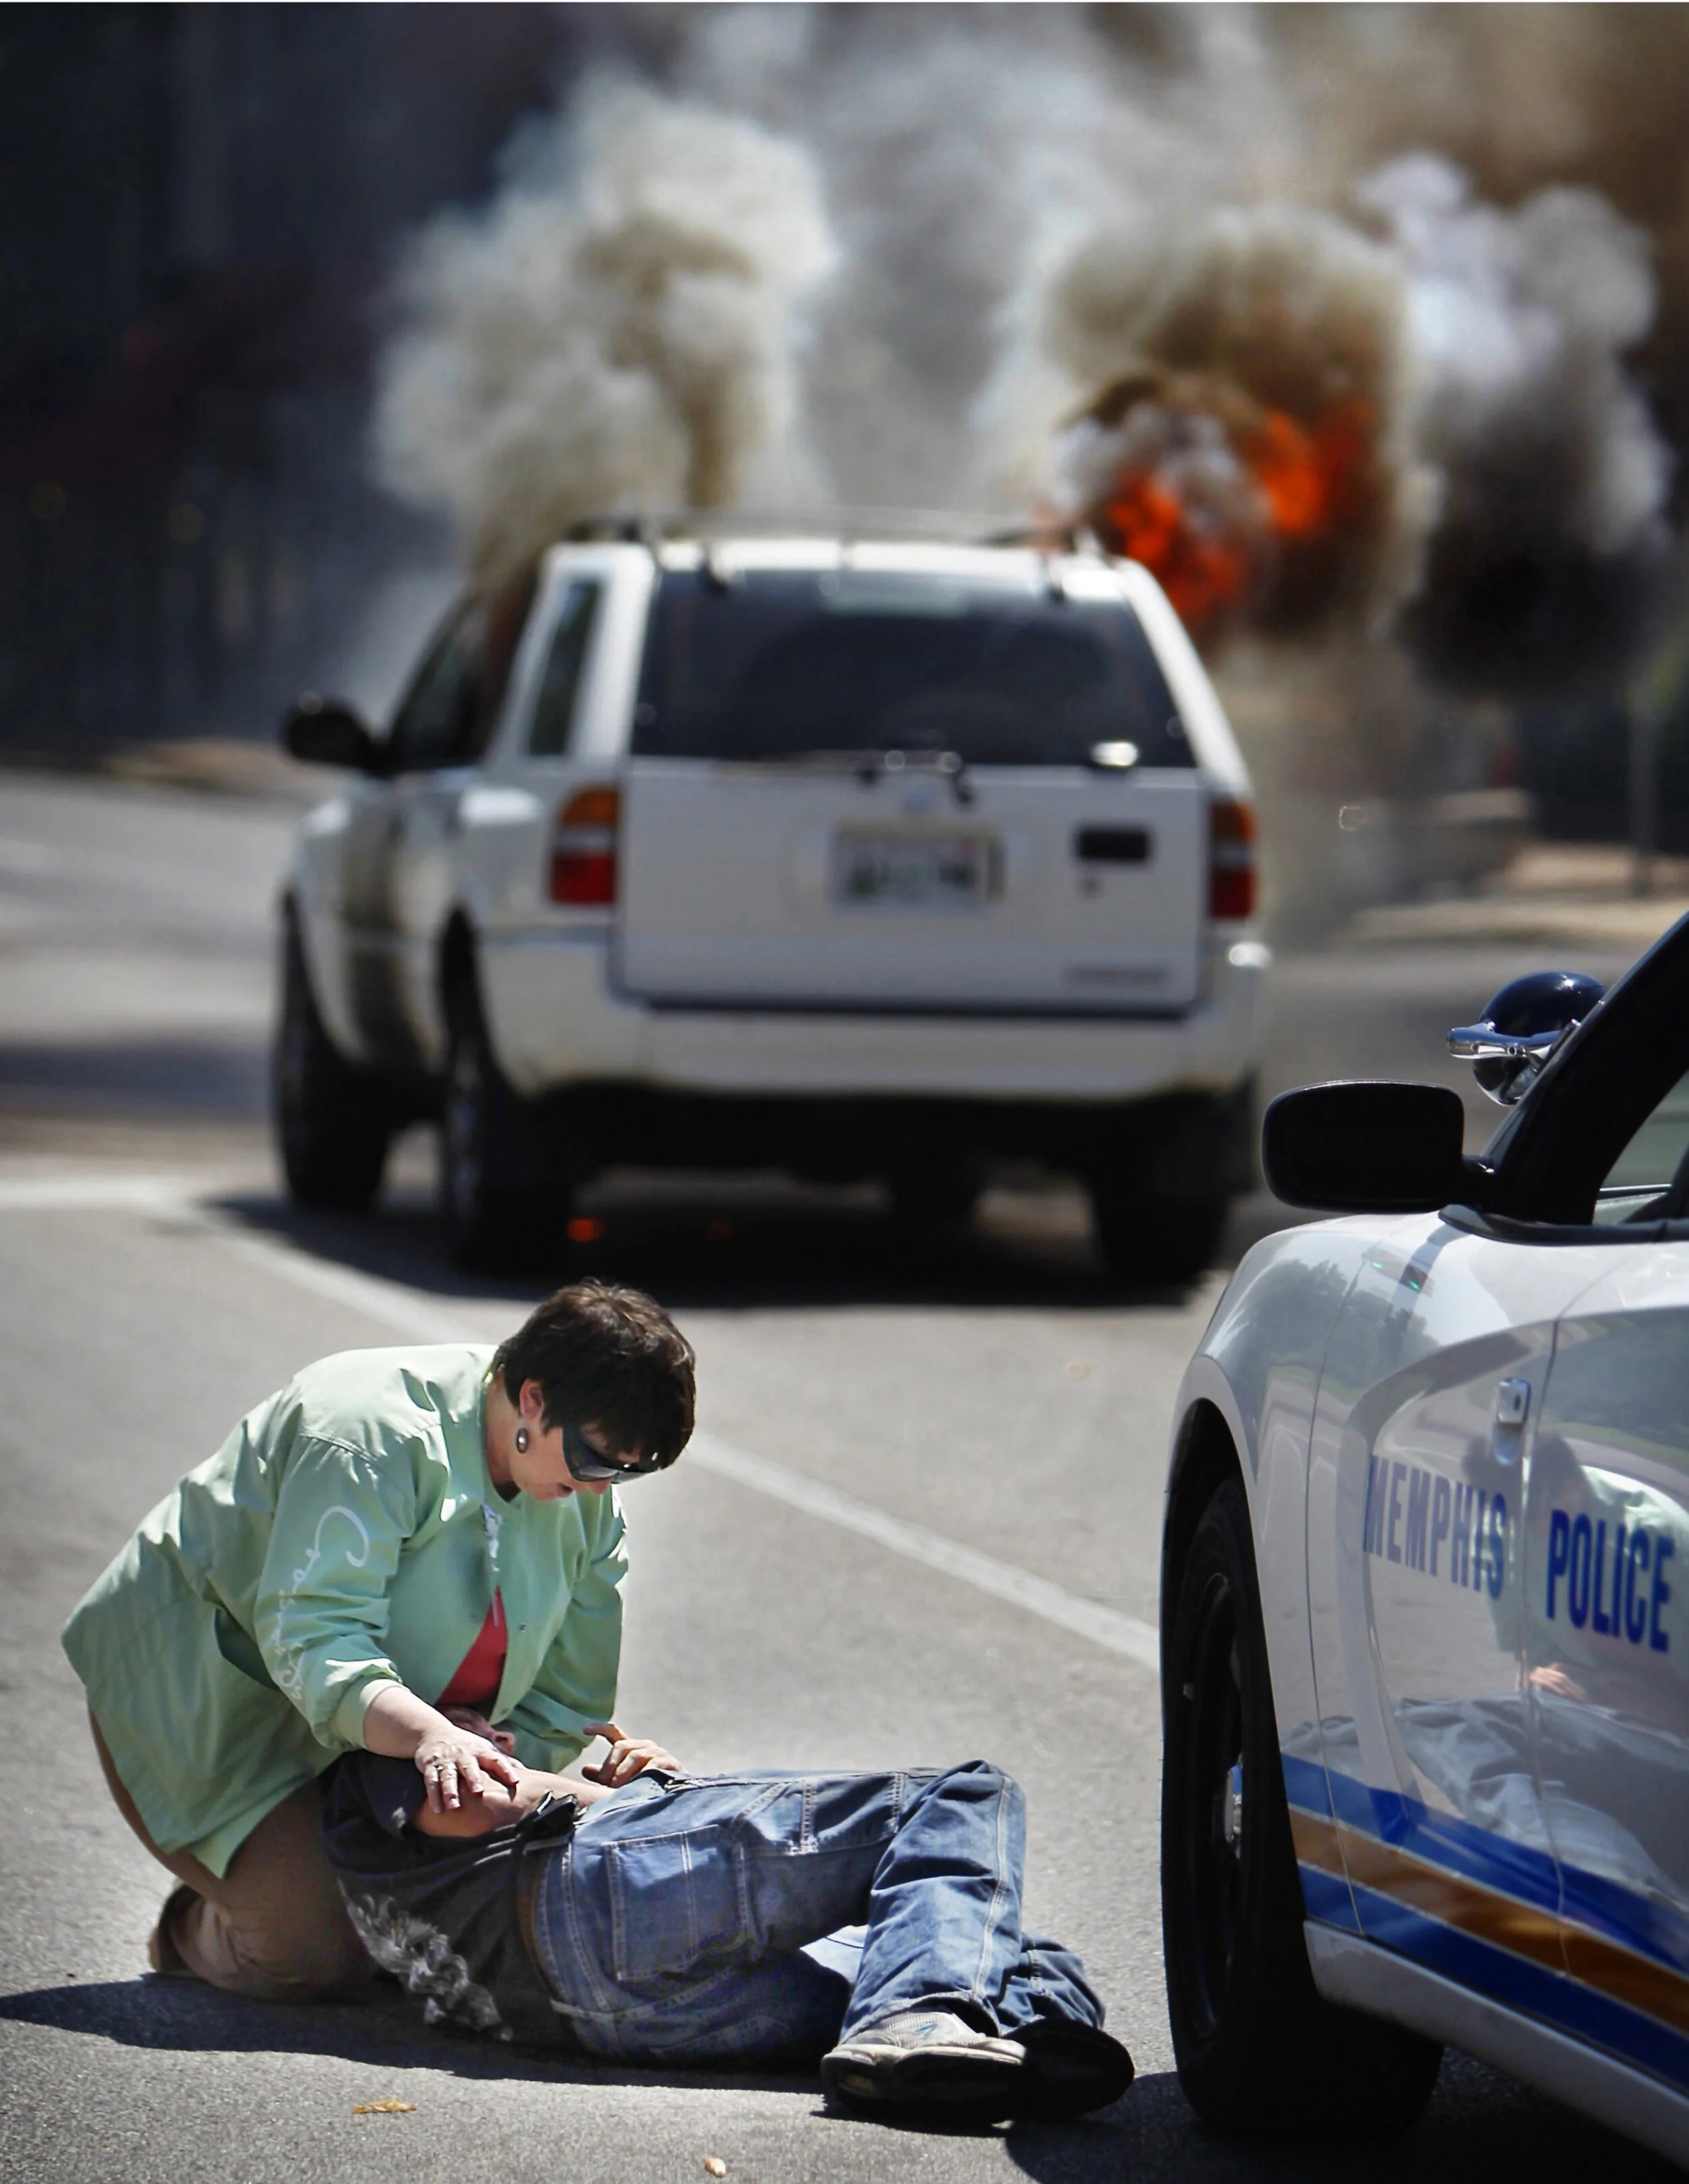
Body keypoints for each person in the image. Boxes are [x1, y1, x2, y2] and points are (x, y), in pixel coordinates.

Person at [61, 1280, 695, 2002]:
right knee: (312, 1955)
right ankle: (199, 1920)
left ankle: (307, 1866)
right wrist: (428, 1731)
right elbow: (315, 1637)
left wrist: (512, 1774)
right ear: (532, 1398)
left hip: (371, 1734)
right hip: (198, 1697)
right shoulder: (367, 1432)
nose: (599, 1487)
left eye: (628, 1471)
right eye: (595, 1458)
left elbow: (566, 1698)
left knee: (406, 1918)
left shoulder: (585, 1494)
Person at [321, 1741, 1136, 2124]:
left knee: (1014, 1950)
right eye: (475, 1720)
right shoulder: (379, 1767)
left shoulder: (389, 1900)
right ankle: (923, 2017)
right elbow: (488, 1801)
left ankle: (971, 2049)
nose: (491, 1739)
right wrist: (649, 1790)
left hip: (604, 2019)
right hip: (588, 1905)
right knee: (960, 1800)